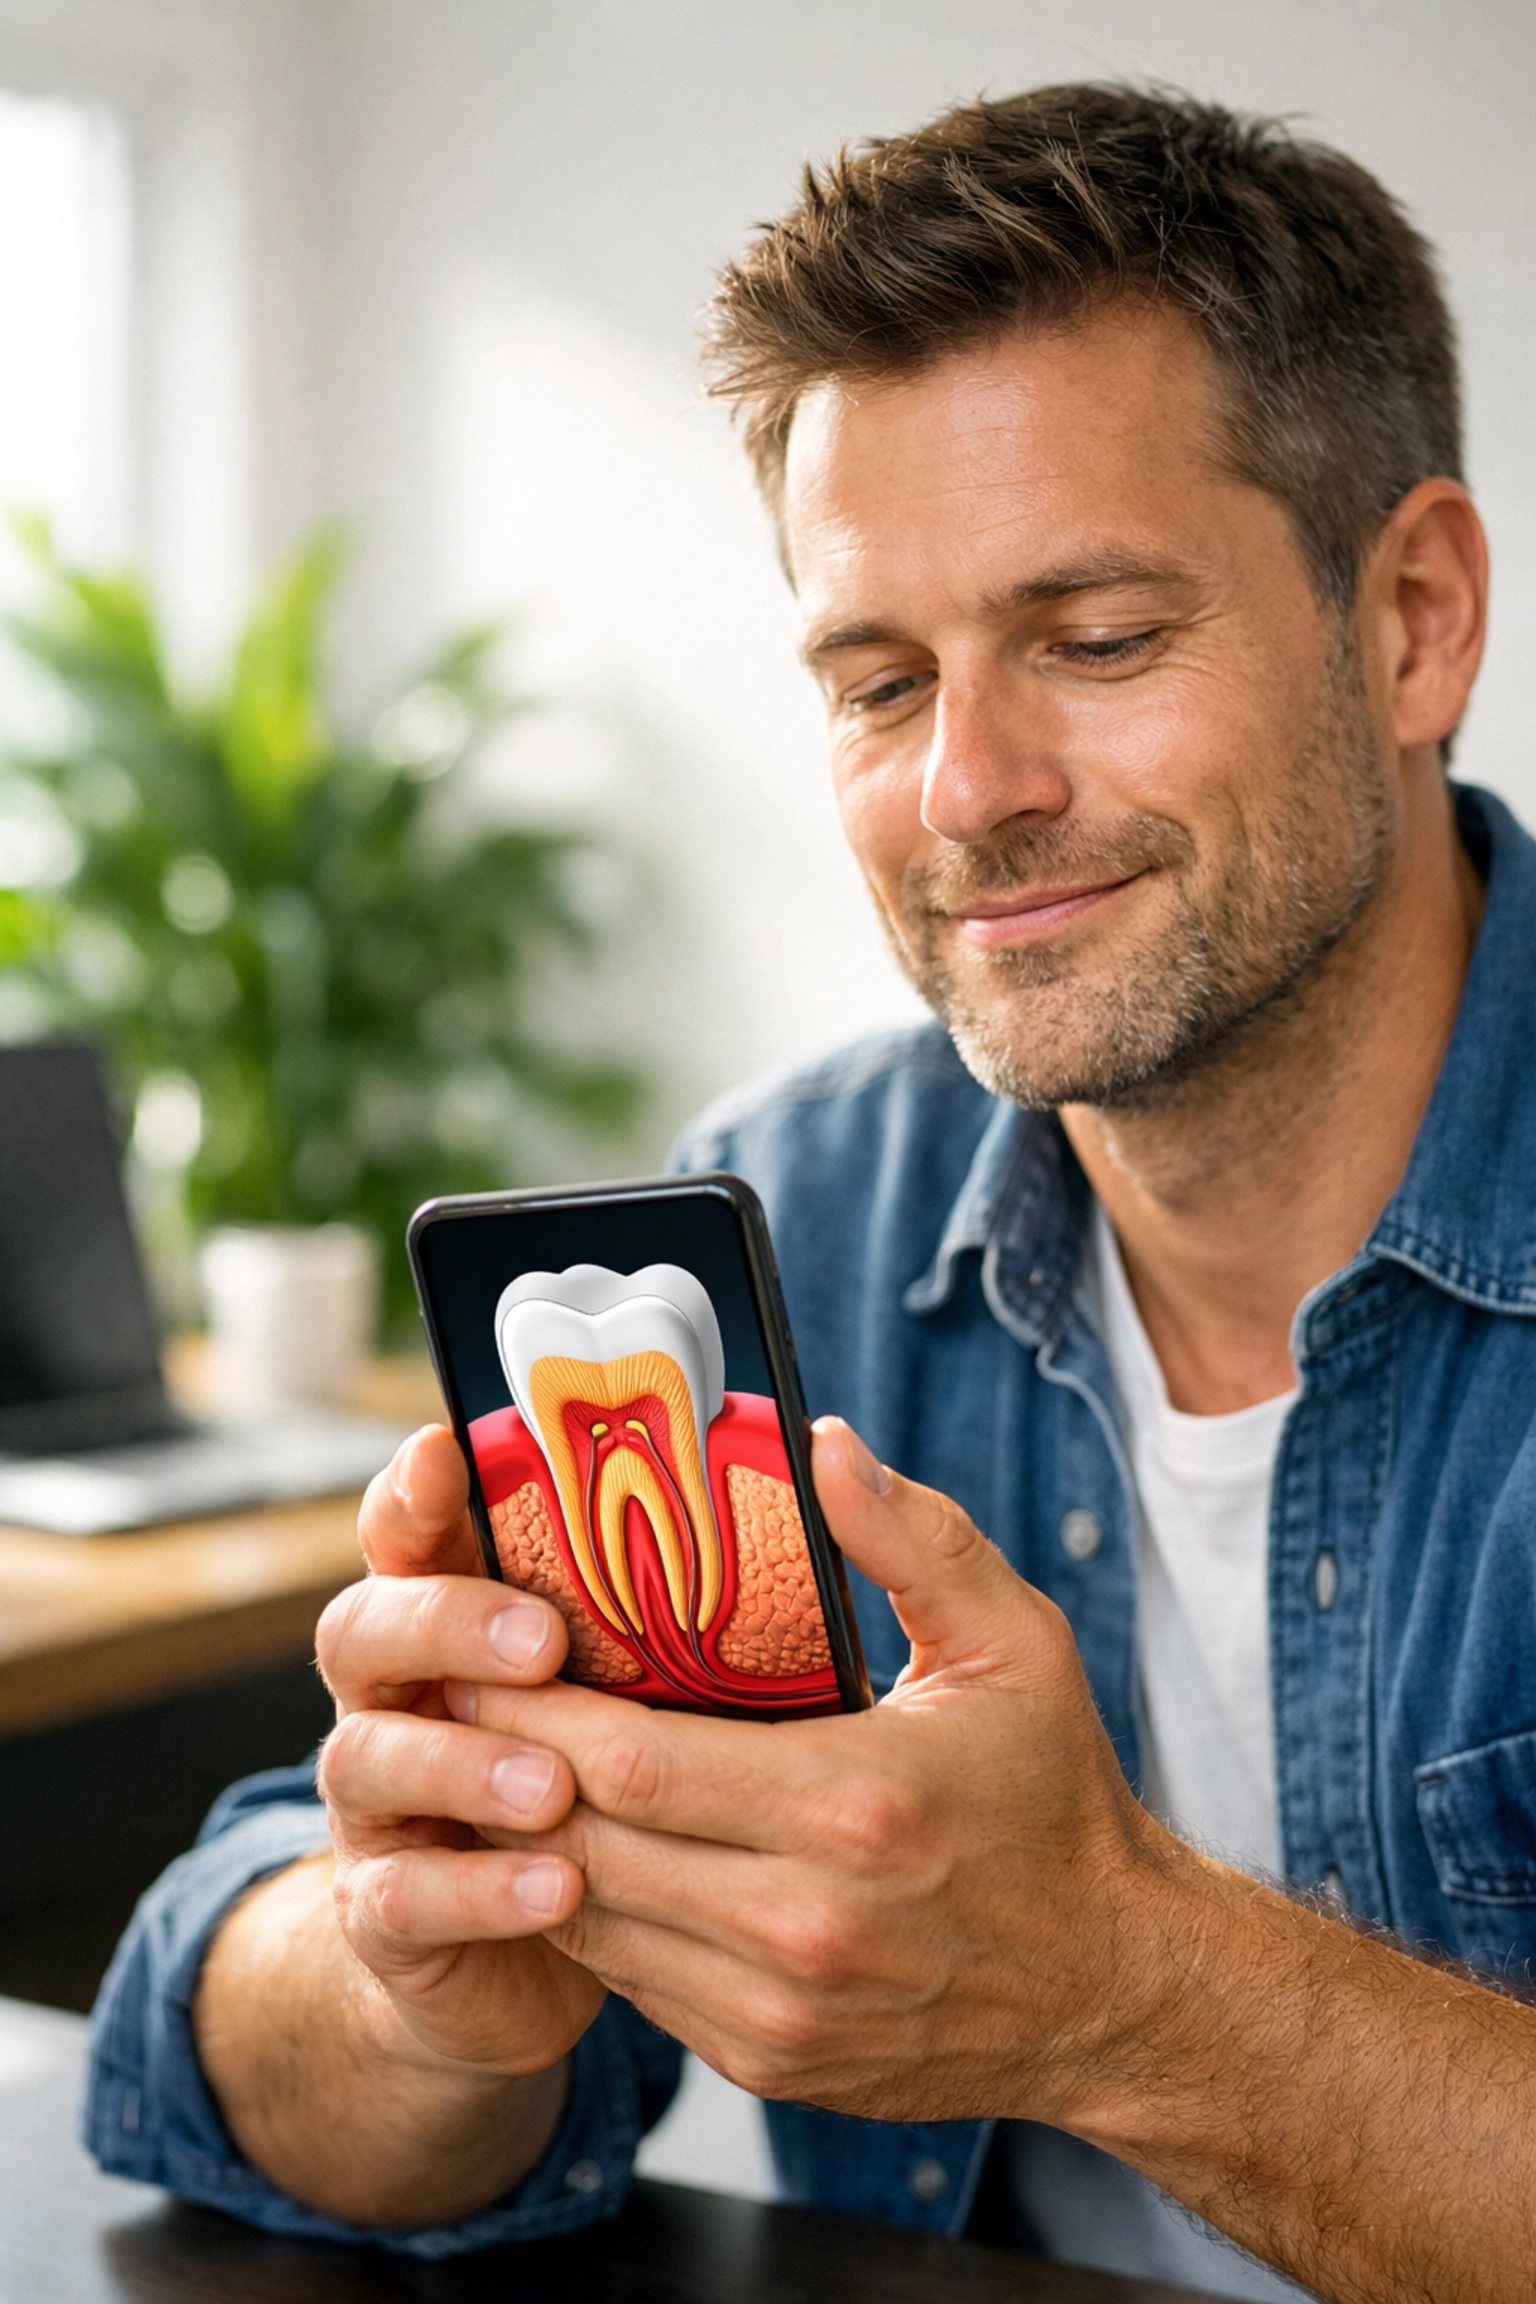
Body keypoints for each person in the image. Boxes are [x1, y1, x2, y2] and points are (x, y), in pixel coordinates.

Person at [87, 85, 1536, 2301]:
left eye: (1100, 638)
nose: (971, 790)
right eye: (880, 680)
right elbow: (220, 2035)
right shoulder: (785, 1213)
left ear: (1416, 615)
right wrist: (418, 1982)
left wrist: (1121, 1990)